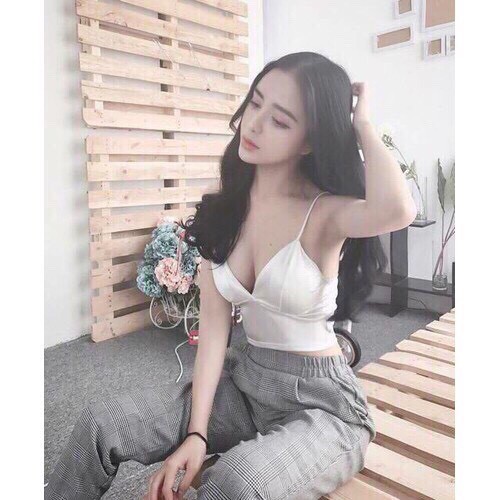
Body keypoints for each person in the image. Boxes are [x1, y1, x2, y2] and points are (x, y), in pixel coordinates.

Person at [45, 52, 416, 500]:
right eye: (255, 103)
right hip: (246, 383)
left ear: (308, 141)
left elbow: (398, 209)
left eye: (279, 120)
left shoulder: (324, 213)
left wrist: (363, 125)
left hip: (322, 405)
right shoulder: (224, 213)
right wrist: (196, 434)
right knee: (101, 424)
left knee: (235, 482)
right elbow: (214, 334)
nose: (253, 124)